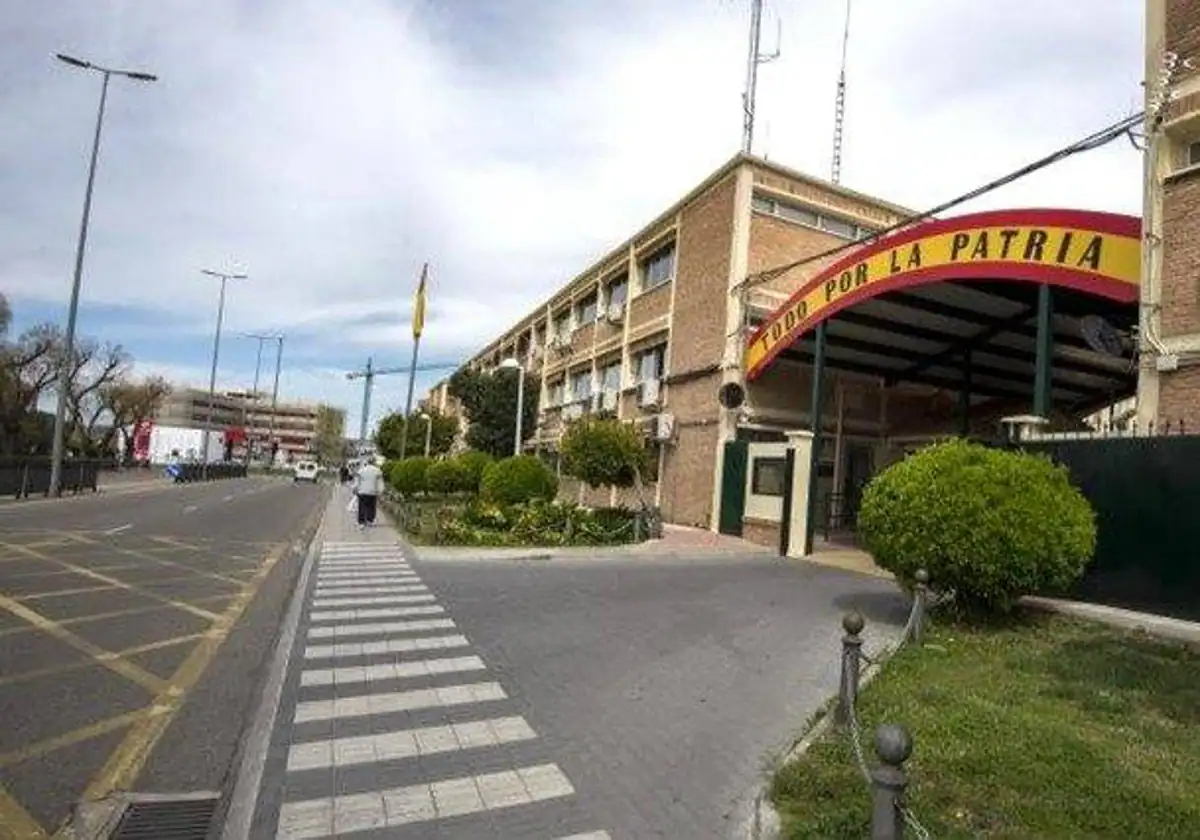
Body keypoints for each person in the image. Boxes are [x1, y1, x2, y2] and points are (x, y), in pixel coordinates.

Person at [353, 458, 385, 528]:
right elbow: (380, 483)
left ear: (366, 463)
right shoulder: (378, 471)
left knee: (362, 506)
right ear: (374, 463)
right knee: (371, 506)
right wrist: (380, 491)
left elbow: (357, 481)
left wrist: (355, 488)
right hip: (372, 492)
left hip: (362, 491)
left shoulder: (361, 470)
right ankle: (369, 520)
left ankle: (361, 522)